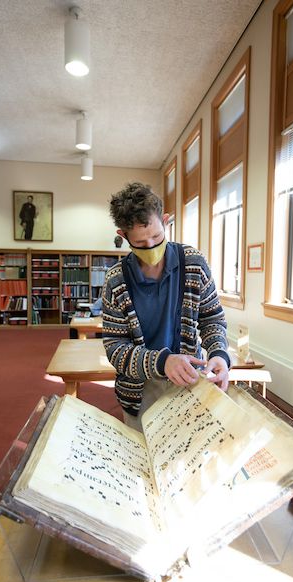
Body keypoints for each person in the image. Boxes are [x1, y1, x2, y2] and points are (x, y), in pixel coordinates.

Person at [102, 182, 230, 431]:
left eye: (157, 237)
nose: (151, 247)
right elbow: (115, 349)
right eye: (140, 242)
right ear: (123, 236)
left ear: (166, 221)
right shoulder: (116, 280)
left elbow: (212, 318)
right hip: (140, 391)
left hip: (190, 380)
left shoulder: (193, 262)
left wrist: (218, 354)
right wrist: (162, 362)